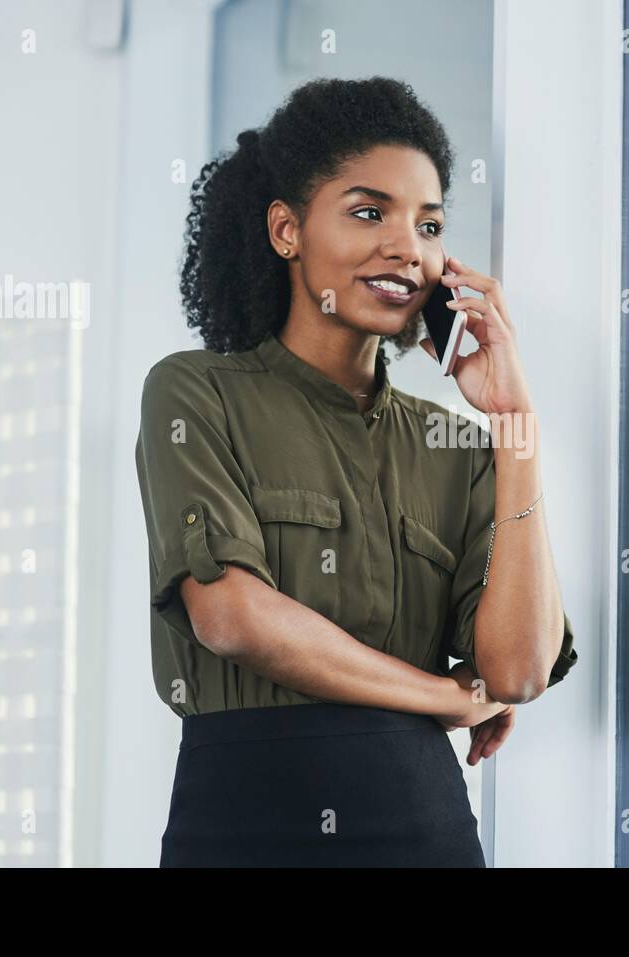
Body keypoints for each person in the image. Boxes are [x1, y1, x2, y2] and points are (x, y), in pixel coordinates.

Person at [135, 77, 578, 867]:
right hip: (243, 824)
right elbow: (232, 617)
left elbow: (516, 669)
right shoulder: (195, 390)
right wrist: (445, 694)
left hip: (426, 829)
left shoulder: (458, 446)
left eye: (429, 223)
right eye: (370, 212)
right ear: (286, 230)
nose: (408, 246)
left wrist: (515, 425)